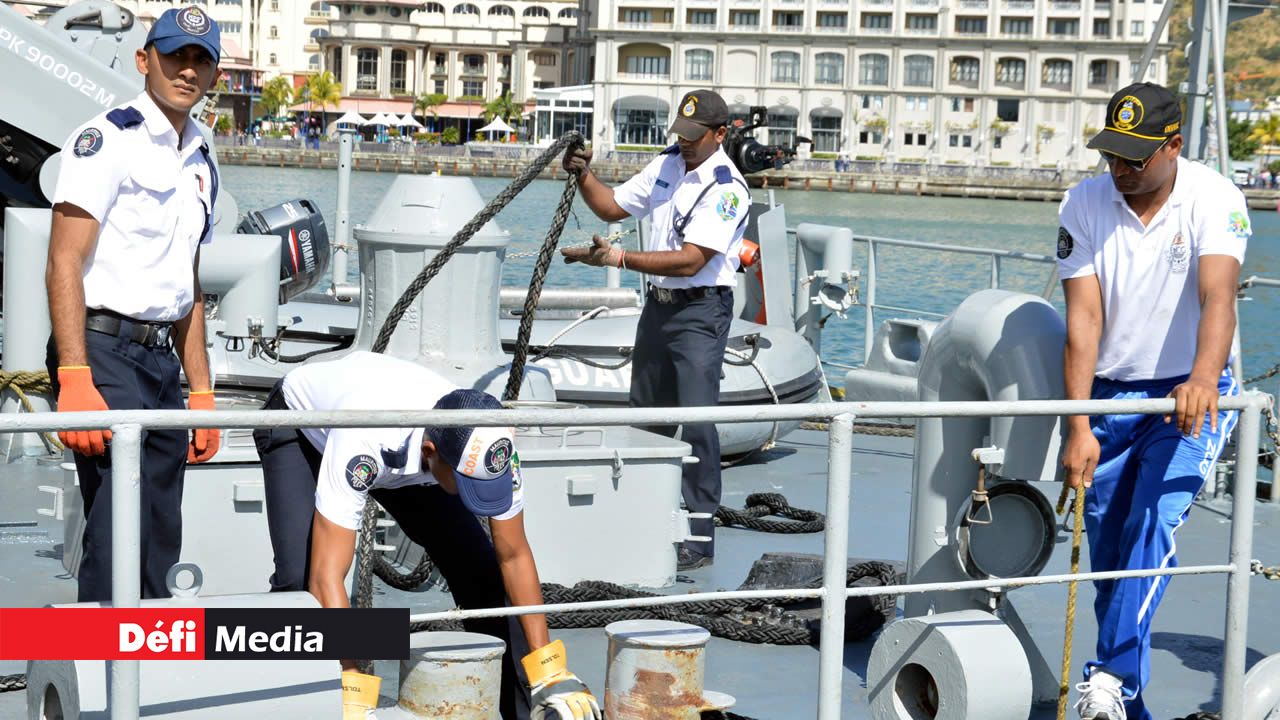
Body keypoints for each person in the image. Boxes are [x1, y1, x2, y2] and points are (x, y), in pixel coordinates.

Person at [253, 351, 600, 720]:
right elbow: (327, 577)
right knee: (300, 583)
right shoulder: (365, 437)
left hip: (415, 459)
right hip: (305, 427)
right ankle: (301, 703)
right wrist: (352, 682)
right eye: (467, 485)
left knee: (482, 573)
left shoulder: (494, 449)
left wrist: (548, 667)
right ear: (431, 454)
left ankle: (531, 705)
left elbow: (513, 555)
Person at [1058, 82, 1250, 720]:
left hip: (1185, 396)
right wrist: (1077, 425)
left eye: (1133, 158)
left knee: (1152, 525)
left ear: (1173, 147)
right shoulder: (1083, 203)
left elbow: (1219, 295)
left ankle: (1107, 676)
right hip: (1111, 395)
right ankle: (1123, 703)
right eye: (1111, 154)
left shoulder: (1215, 197)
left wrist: (1201, 377)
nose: (1118, 169)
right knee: (1109, 559)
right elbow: (1083, 319)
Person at [45, 6, 223, 602]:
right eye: (177, 56)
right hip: (101, 350)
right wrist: (74, 375)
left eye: (202, 60)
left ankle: (141, 666)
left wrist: (201, 389)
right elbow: (64, 259)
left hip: (159, 363)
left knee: (159, 529)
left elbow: (186, 283)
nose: (188, 71)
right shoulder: (106, 140)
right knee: (118, 522)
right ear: (145, 60)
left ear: (214, 75)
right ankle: (98, 676)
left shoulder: (202, 157)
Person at [560, 89, 749, 571]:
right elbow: (612, 207)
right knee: (646, 416)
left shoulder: (728, 189)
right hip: (660, 308)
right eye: (680, 135)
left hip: (700, 313)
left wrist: (618, 258)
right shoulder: (668, 163)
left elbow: (691, 262)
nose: (684, 143)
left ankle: (698, 536)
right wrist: (583, 173)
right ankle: (641, 521)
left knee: (698, 421)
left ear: (720, 134)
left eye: (694, 136)